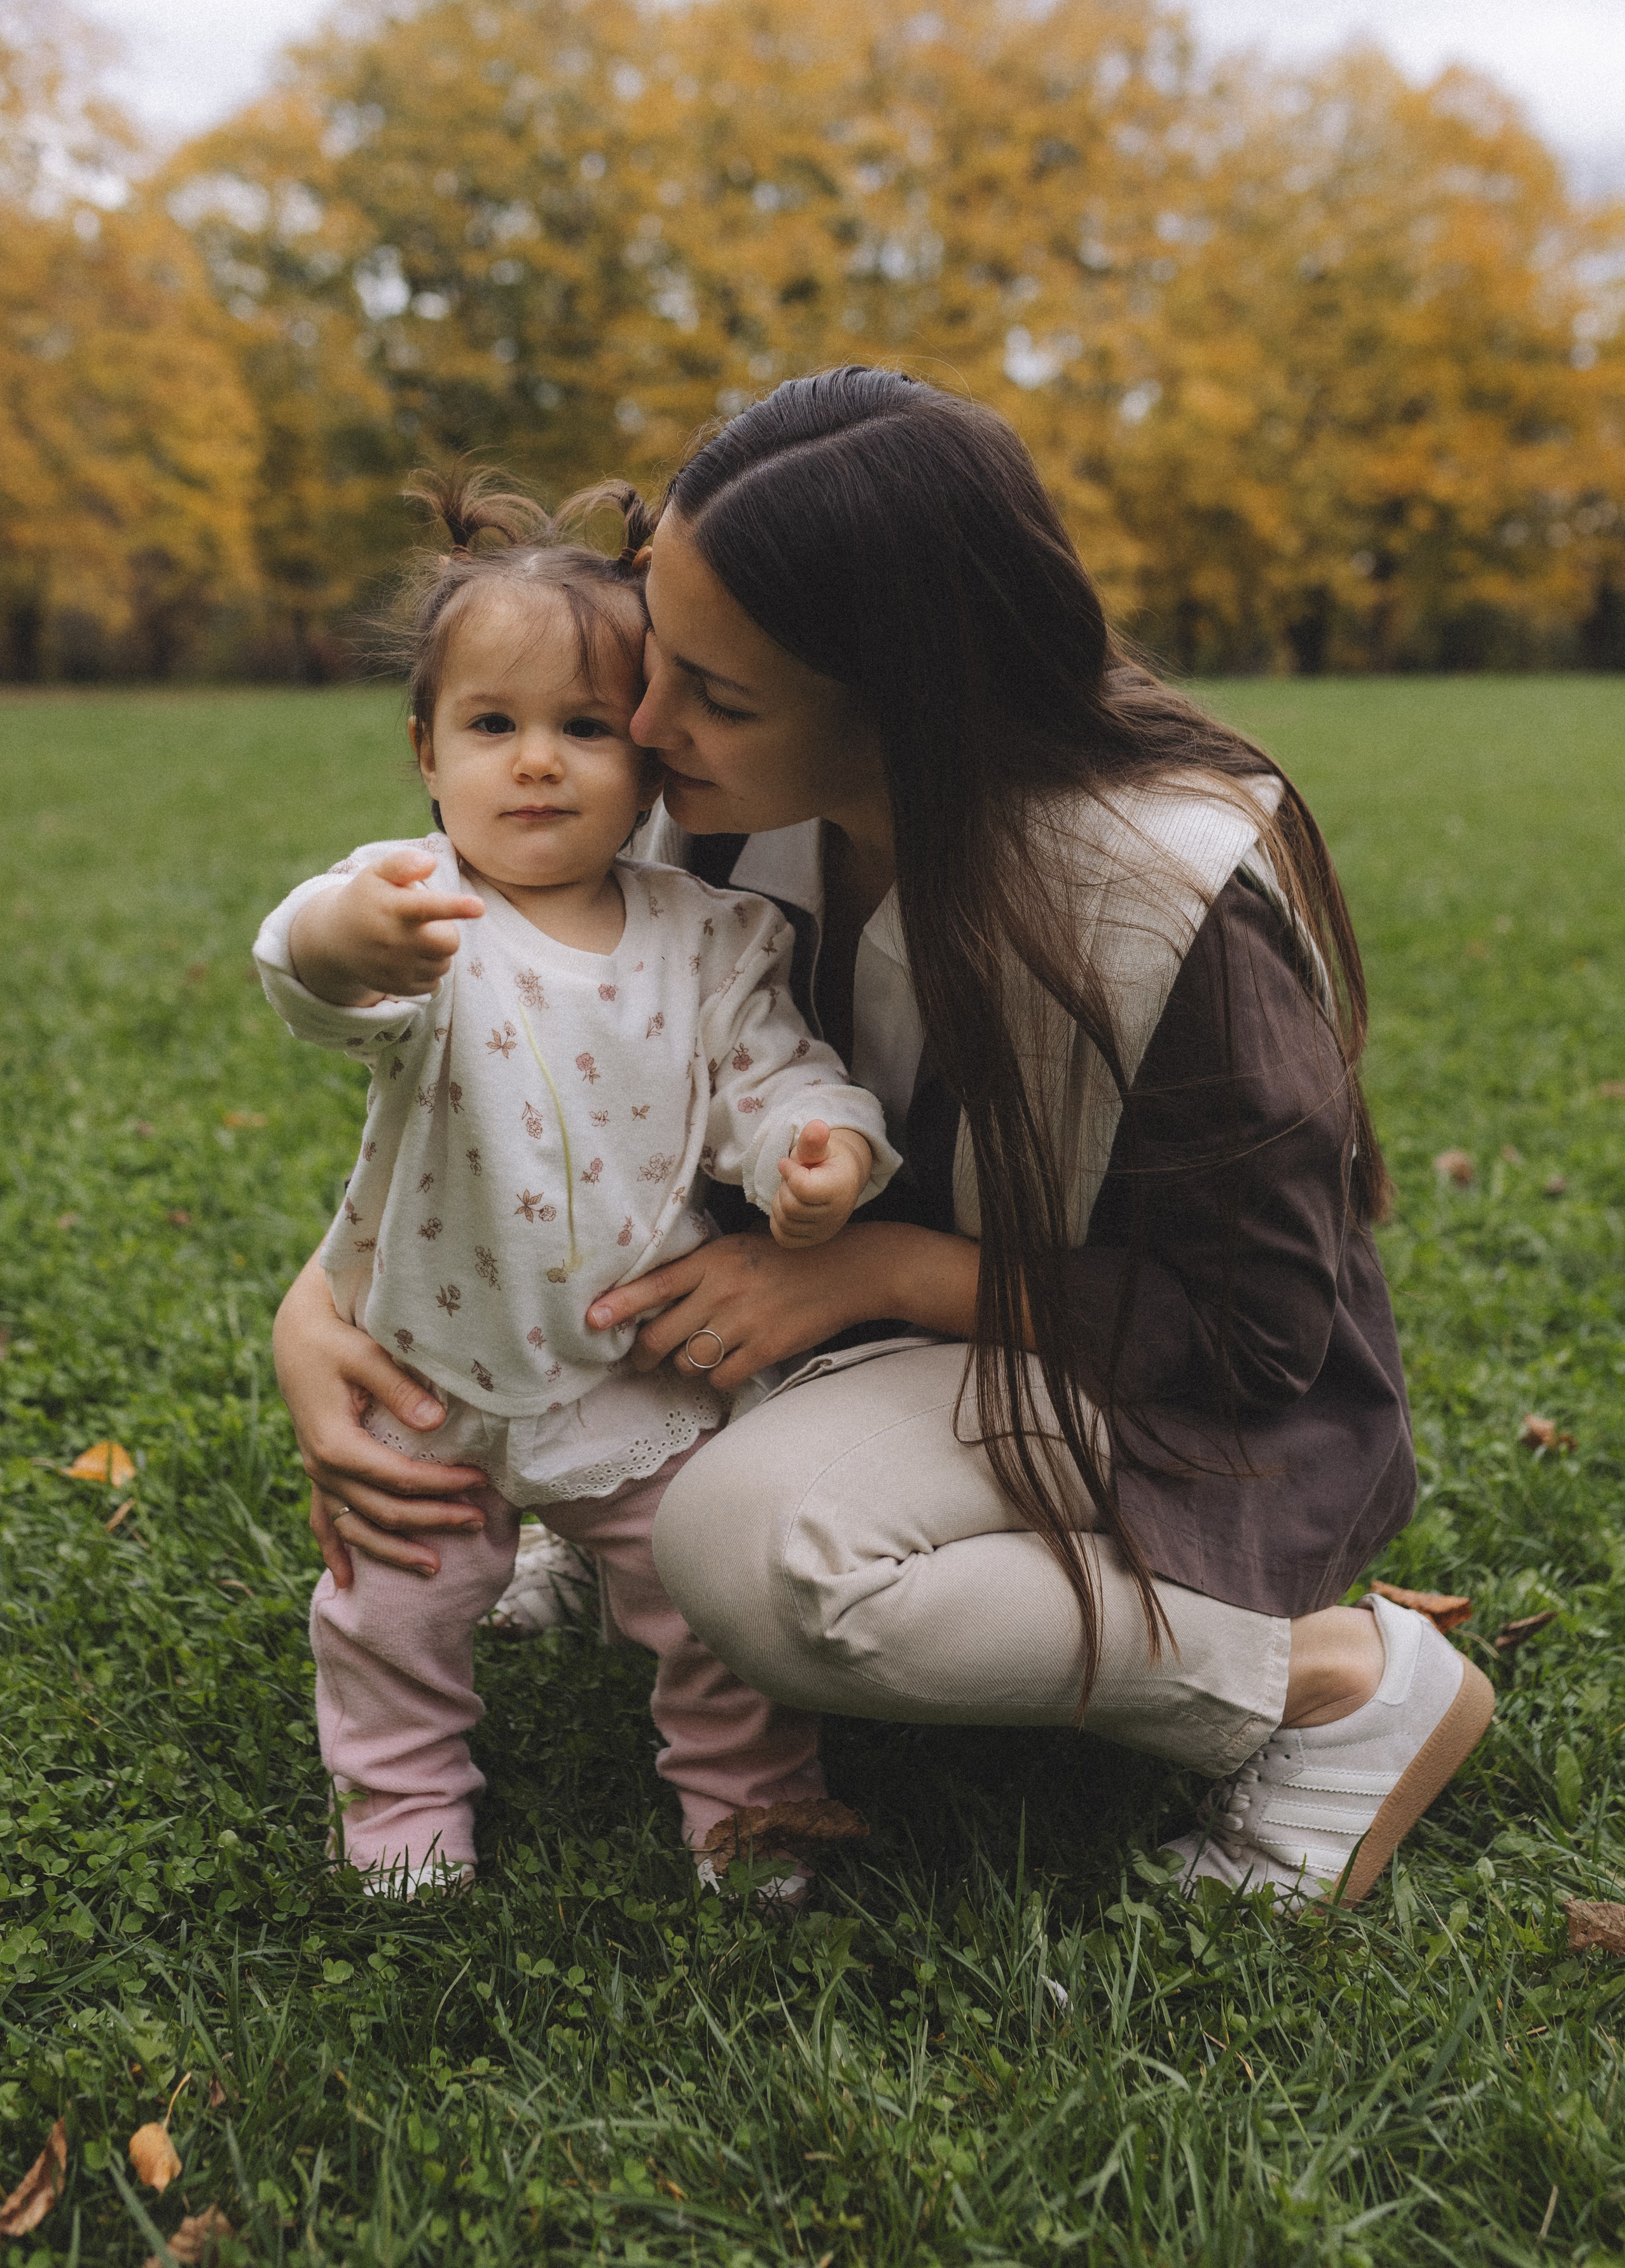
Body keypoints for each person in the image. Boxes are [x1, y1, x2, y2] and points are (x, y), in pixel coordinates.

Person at [273, 371, 1494, 1911]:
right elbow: (547, 1079)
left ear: (905, 709)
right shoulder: (711, 797)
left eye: (711, 695)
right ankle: (607, 1518)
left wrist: (881, 1270)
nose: (639, 726)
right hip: (853, 1328)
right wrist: (322, 1307)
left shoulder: (1164, 902)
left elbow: (1256, 1332)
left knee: (756, 1556)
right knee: (695, 1495)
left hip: (1153, 1373)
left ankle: (1332, 1680)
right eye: (656, 654)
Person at [254, 468, 896, 1893]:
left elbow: (770, 1072)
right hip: (427, 1355)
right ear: (427, 753)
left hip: (628, 1362)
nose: (536, 762)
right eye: (493, 726)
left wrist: (817, 1145)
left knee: (699, 1601)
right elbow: (310, 968)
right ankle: (403, 1802)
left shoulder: (709, 936)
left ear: (648, 763)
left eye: (585, 728)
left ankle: (747, 1803)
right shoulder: (421, 907)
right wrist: (346, 936)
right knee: (393, 1604)